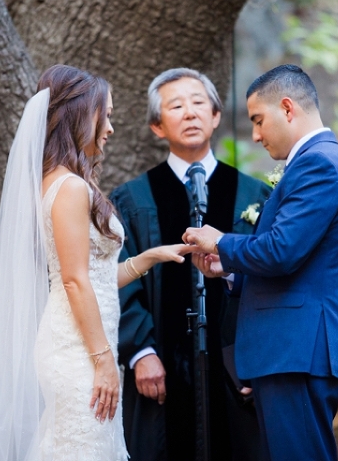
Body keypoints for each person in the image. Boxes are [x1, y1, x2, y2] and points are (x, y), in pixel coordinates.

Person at [0, 65, 195, 461]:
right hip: (78, 350)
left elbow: (97, 278)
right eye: (104, 115)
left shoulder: (63, 180)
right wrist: (104, 360)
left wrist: (149, 258)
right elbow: (73, 281)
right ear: (79, 116)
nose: (109, 127)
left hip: (85, 346)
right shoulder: (69, 187)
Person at [183, 64, 338, 461]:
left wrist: (221, 241)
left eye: (258, 120)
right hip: (287, 353)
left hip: (297, 353)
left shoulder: (319, 165)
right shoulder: (314, 163)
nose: (255, 135)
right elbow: (294, 259)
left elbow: (282, 251)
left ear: (287, 108)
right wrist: (227, 268)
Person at [110, 68, 271, 461]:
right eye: (176, 106)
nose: (190, 113)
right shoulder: (132, 199)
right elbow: (117, 279)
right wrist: (140, 353)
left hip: (237, 372)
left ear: (216, 116)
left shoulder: (255, 195)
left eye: (199, 103)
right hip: (159, 371)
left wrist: (259, 358)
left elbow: (270, 282)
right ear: (156, 126)